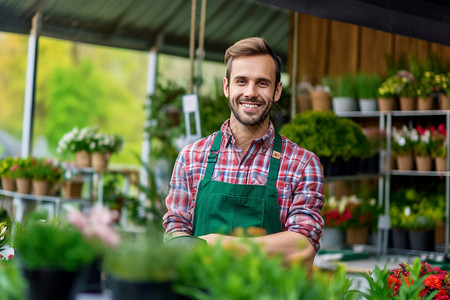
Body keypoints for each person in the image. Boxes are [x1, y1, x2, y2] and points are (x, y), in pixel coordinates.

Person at [163, 37, 324, 268]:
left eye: (262, 83)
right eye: (241, 81)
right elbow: (175, 232)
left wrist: (220, 245)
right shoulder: (191, 157)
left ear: (277, 91)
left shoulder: (302, 164)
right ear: (227, 87)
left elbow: (303, 246)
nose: (250, 92)